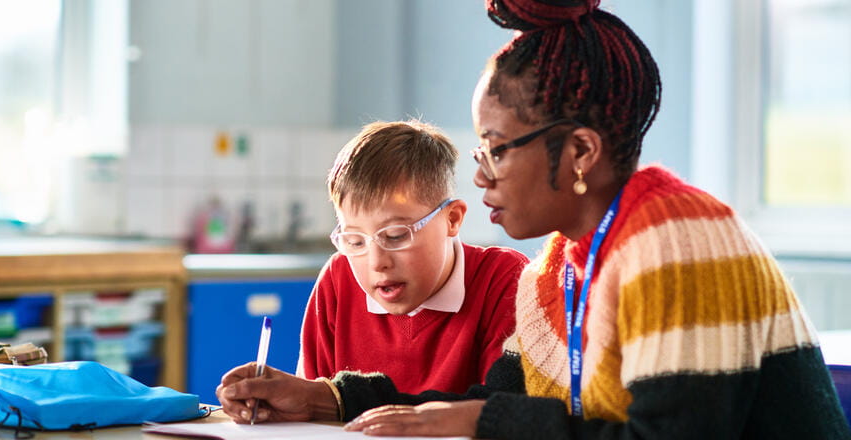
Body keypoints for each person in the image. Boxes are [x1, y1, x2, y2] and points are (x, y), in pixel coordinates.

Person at [217, 1, 851, 438]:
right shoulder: (558, 266)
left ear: (578, 153)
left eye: (497, 147)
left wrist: (481, 422)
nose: (483, 173)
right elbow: (493, 404)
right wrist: (325, 398)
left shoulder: (676, 242)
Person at [298, 120, 527, 395]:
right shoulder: (338, 278)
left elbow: (498, 414)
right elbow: (312, 408)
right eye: (355, 241)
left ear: (451, 219)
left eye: (395, 236)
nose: (376, 262)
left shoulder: (503, 278)